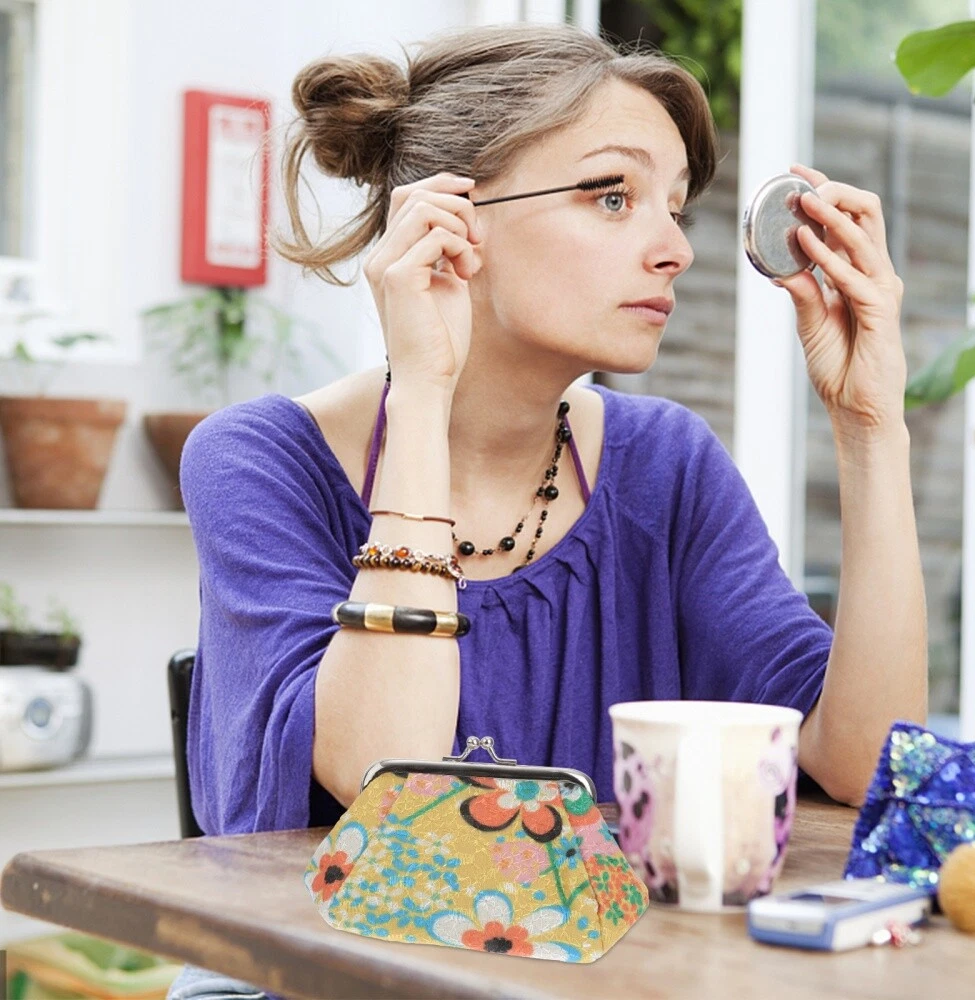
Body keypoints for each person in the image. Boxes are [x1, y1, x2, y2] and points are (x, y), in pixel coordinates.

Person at [166, 20, 927, 1000]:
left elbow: (870, 763)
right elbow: (382, 768)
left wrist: (871, 426)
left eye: (675, 209)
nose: (673, 250)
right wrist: (423, 392)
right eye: (612, 196)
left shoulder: (666, 468)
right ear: (454, 220)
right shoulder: (257, 459)